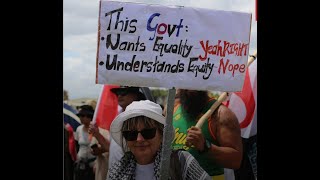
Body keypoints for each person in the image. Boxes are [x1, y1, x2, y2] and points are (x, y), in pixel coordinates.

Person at [108, 100, 211, 180]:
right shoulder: (117, 170)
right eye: (131, 134)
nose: (139, 139)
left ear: (162, 134)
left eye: (148, 133)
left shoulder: (181, 161)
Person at [171, 89, 243, 180]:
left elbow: (236, 161)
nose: (190, 88)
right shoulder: (173, 111)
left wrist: (205, 147)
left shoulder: (222, 114)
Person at [107, 86, 147, 168]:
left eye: (123, 92)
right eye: (118, 93)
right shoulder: (117, 117)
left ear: (135, 95)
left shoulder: (143, 118)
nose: (119, 96)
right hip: (115, 171)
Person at [74, 105, 96, 180]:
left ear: (90, 117)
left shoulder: (96, 130)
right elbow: (76, 145)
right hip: (81, 164)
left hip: (93, 165)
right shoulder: (78, 129)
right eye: (80, 115)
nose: (81, 118)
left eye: (83, 116)